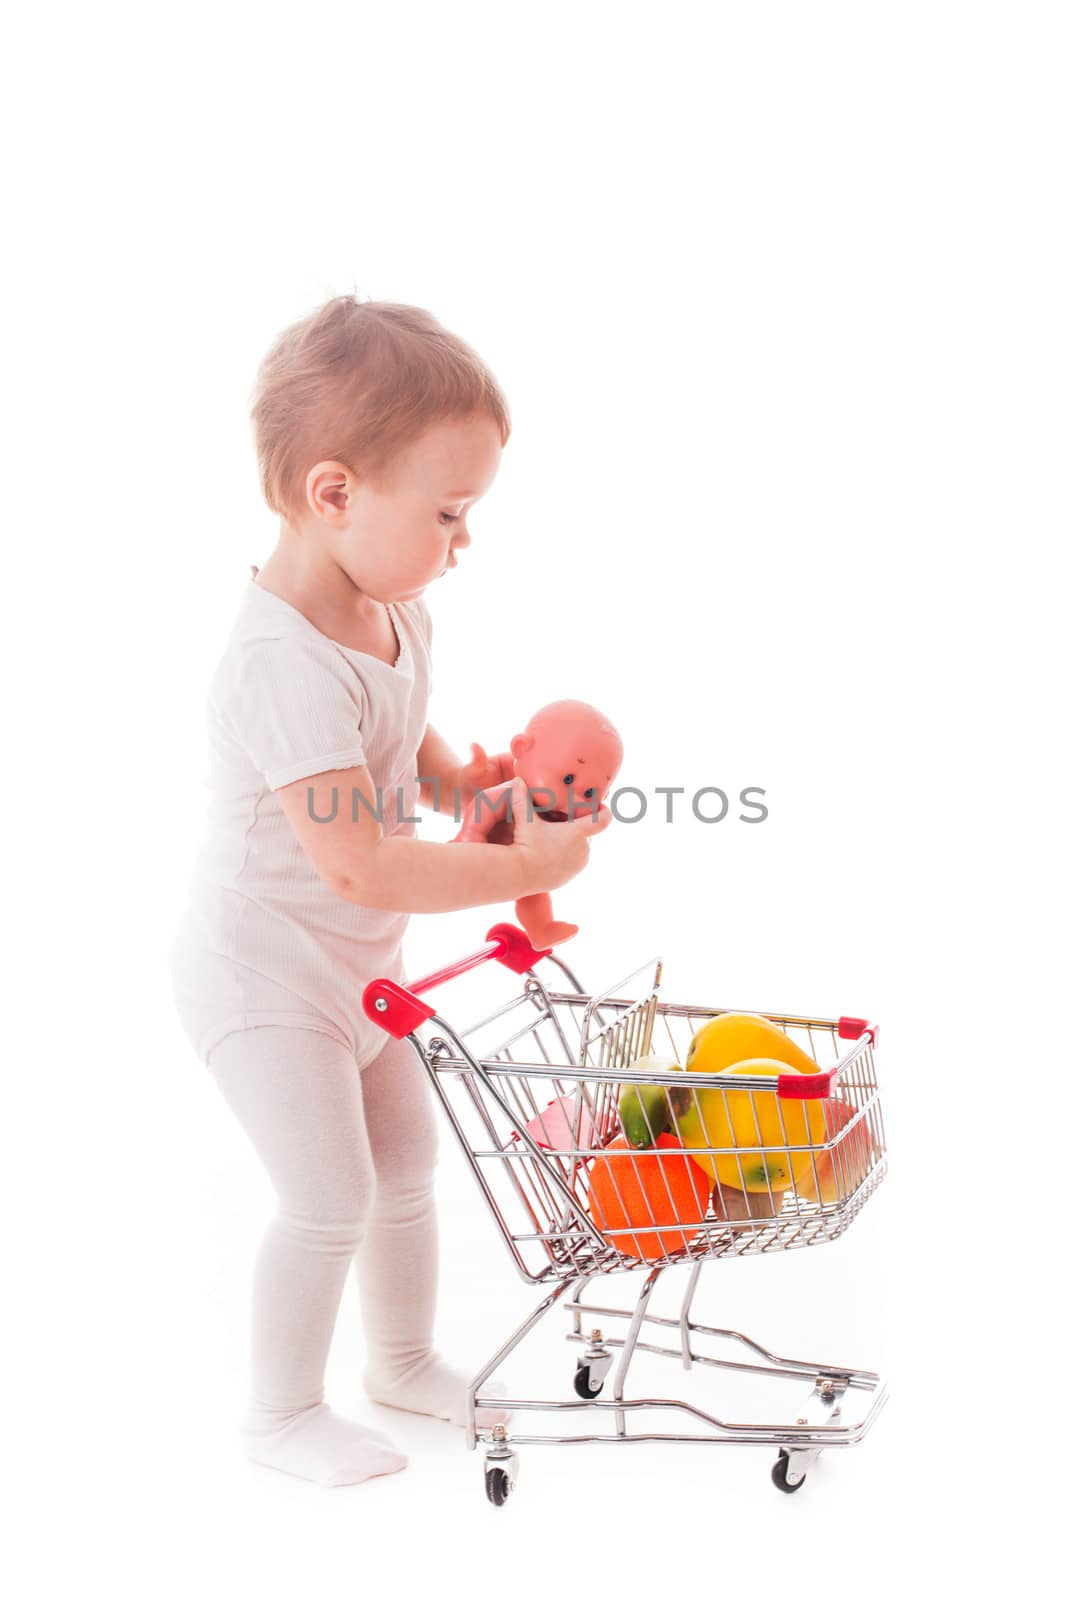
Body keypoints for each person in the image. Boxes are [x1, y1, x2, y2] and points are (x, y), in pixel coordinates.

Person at [168, 293, 611, 1488]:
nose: (464, 541)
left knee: (406, 1166)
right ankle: (277, 1417)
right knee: (327, 1195)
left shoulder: (389, 606)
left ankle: (402, 1358)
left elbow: (405, 739)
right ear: (333, 493)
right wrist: (522, 870)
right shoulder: (275, 664)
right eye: (451, 513)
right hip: (262, 977)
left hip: (358, 969)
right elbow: (358, 856)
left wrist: (481, 782)